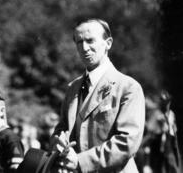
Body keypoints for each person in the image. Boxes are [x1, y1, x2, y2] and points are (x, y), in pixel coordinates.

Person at [50, 19, 145, 173]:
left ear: (108, 43)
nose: (84, 48)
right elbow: (60, 130)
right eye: (79, 42)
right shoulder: (72, 88)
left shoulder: (128, 88)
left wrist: (80, 162)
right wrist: (59, 145)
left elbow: (127, 142)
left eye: (90, 41)